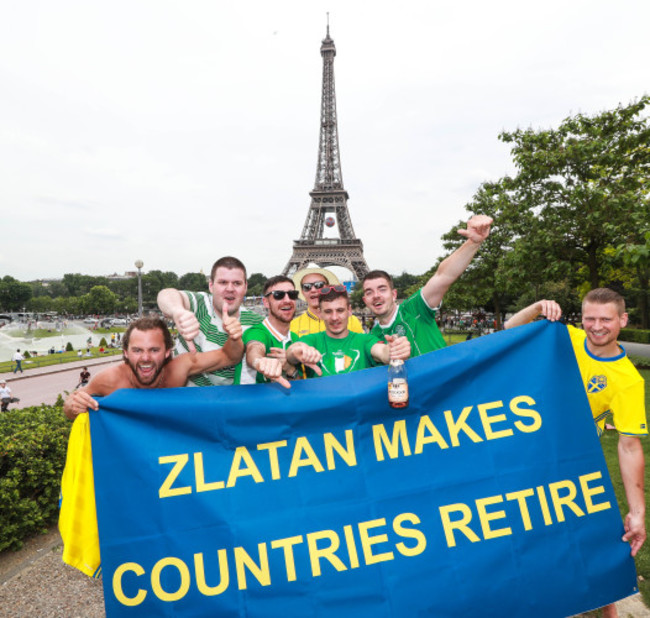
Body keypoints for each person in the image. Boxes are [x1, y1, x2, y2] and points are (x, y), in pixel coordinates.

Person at [505, 289, 646, 618]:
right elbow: (510, 329)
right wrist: (539, 306)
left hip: (575, 468)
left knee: (589, 546)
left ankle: (602, 606)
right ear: (581, 318)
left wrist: (637, 511)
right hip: (527, 457)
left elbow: (628, 445)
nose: (597, 326)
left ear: (623, 320)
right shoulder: (563, 336)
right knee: (531, 540)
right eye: (590, 318)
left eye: (606, 319)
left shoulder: (628, 380)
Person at [63, 313, 243, 420]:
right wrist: (72, 405)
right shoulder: (110, 380)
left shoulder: (180, 368)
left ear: (167, 352)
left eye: (154, 350)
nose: (146, 358)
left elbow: (229, 356)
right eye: (137, 350)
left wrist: (234, 337)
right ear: (126, 352)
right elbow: (71, 407)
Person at [361, 214, 493, 357]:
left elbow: (443, 276)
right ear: (365, 301)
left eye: (382, 289)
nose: (376, 296)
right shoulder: (373, 338)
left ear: (394, 294)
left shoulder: (414, 308)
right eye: (369, 292)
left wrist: (473, 243)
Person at [157, 256, 263, 386]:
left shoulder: (258, 323)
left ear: (245, 287)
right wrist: (178, 311)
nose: (230, 288)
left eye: (237, 283)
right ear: (211, 286)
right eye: (223, 282)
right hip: (186, 397)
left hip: (227, 402)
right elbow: (167, 294)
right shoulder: (200, 304)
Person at [286, 285, 411, 378]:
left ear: (349, 310)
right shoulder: (312, 340)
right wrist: (298, 350)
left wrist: (393, 350)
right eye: (328, 311)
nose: (335, 317)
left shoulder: (364, 340)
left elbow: (382, 351)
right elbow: (293, 351)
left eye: (340, 310)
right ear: (320, 313)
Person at [242, 275, 303, 388]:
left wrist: (291, 370)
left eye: (292, 294)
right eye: (278, 295)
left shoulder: (295, 339)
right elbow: (254, 348)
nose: (287, 300)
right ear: (265, 302)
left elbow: (299, 388)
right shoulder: (256, 332)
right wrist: (259, 362)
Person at [290, 267, 364, 337]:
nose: (313, 290)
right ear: (302, 292)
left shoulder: (352, 321)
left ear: (327, 288)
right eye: (307, 287)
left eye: (319, 285)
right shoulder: (293, 326)